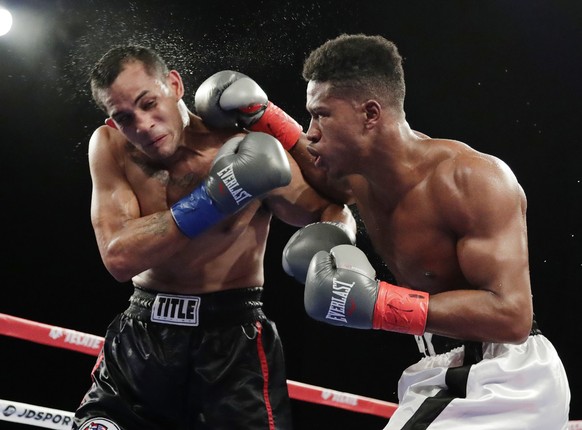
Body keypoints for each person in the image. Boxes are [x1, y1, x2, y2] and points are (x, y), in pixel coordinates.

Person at [282, 33, 571, 429]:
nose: (310, 131)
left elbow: (513, 316)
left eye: (322, 115)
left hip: (503, 376)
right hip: (441, 368)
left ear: (370, 114)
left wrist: (380, 304)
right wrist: (262, 114)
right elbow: (310, 163)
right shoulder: (359, 178)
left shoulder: (472, 180)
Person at [72, 45, 356, 430]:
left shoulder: (239, 144)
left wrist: (337, 241)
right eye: (124, 117)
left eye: (148, 102)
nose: (143, 124)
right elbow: (119, 258)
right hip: (143, 335)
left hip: (232, 345)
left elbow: (334, 202)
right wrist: (216, 198)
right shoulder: (110, 148)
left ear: (174, 84)